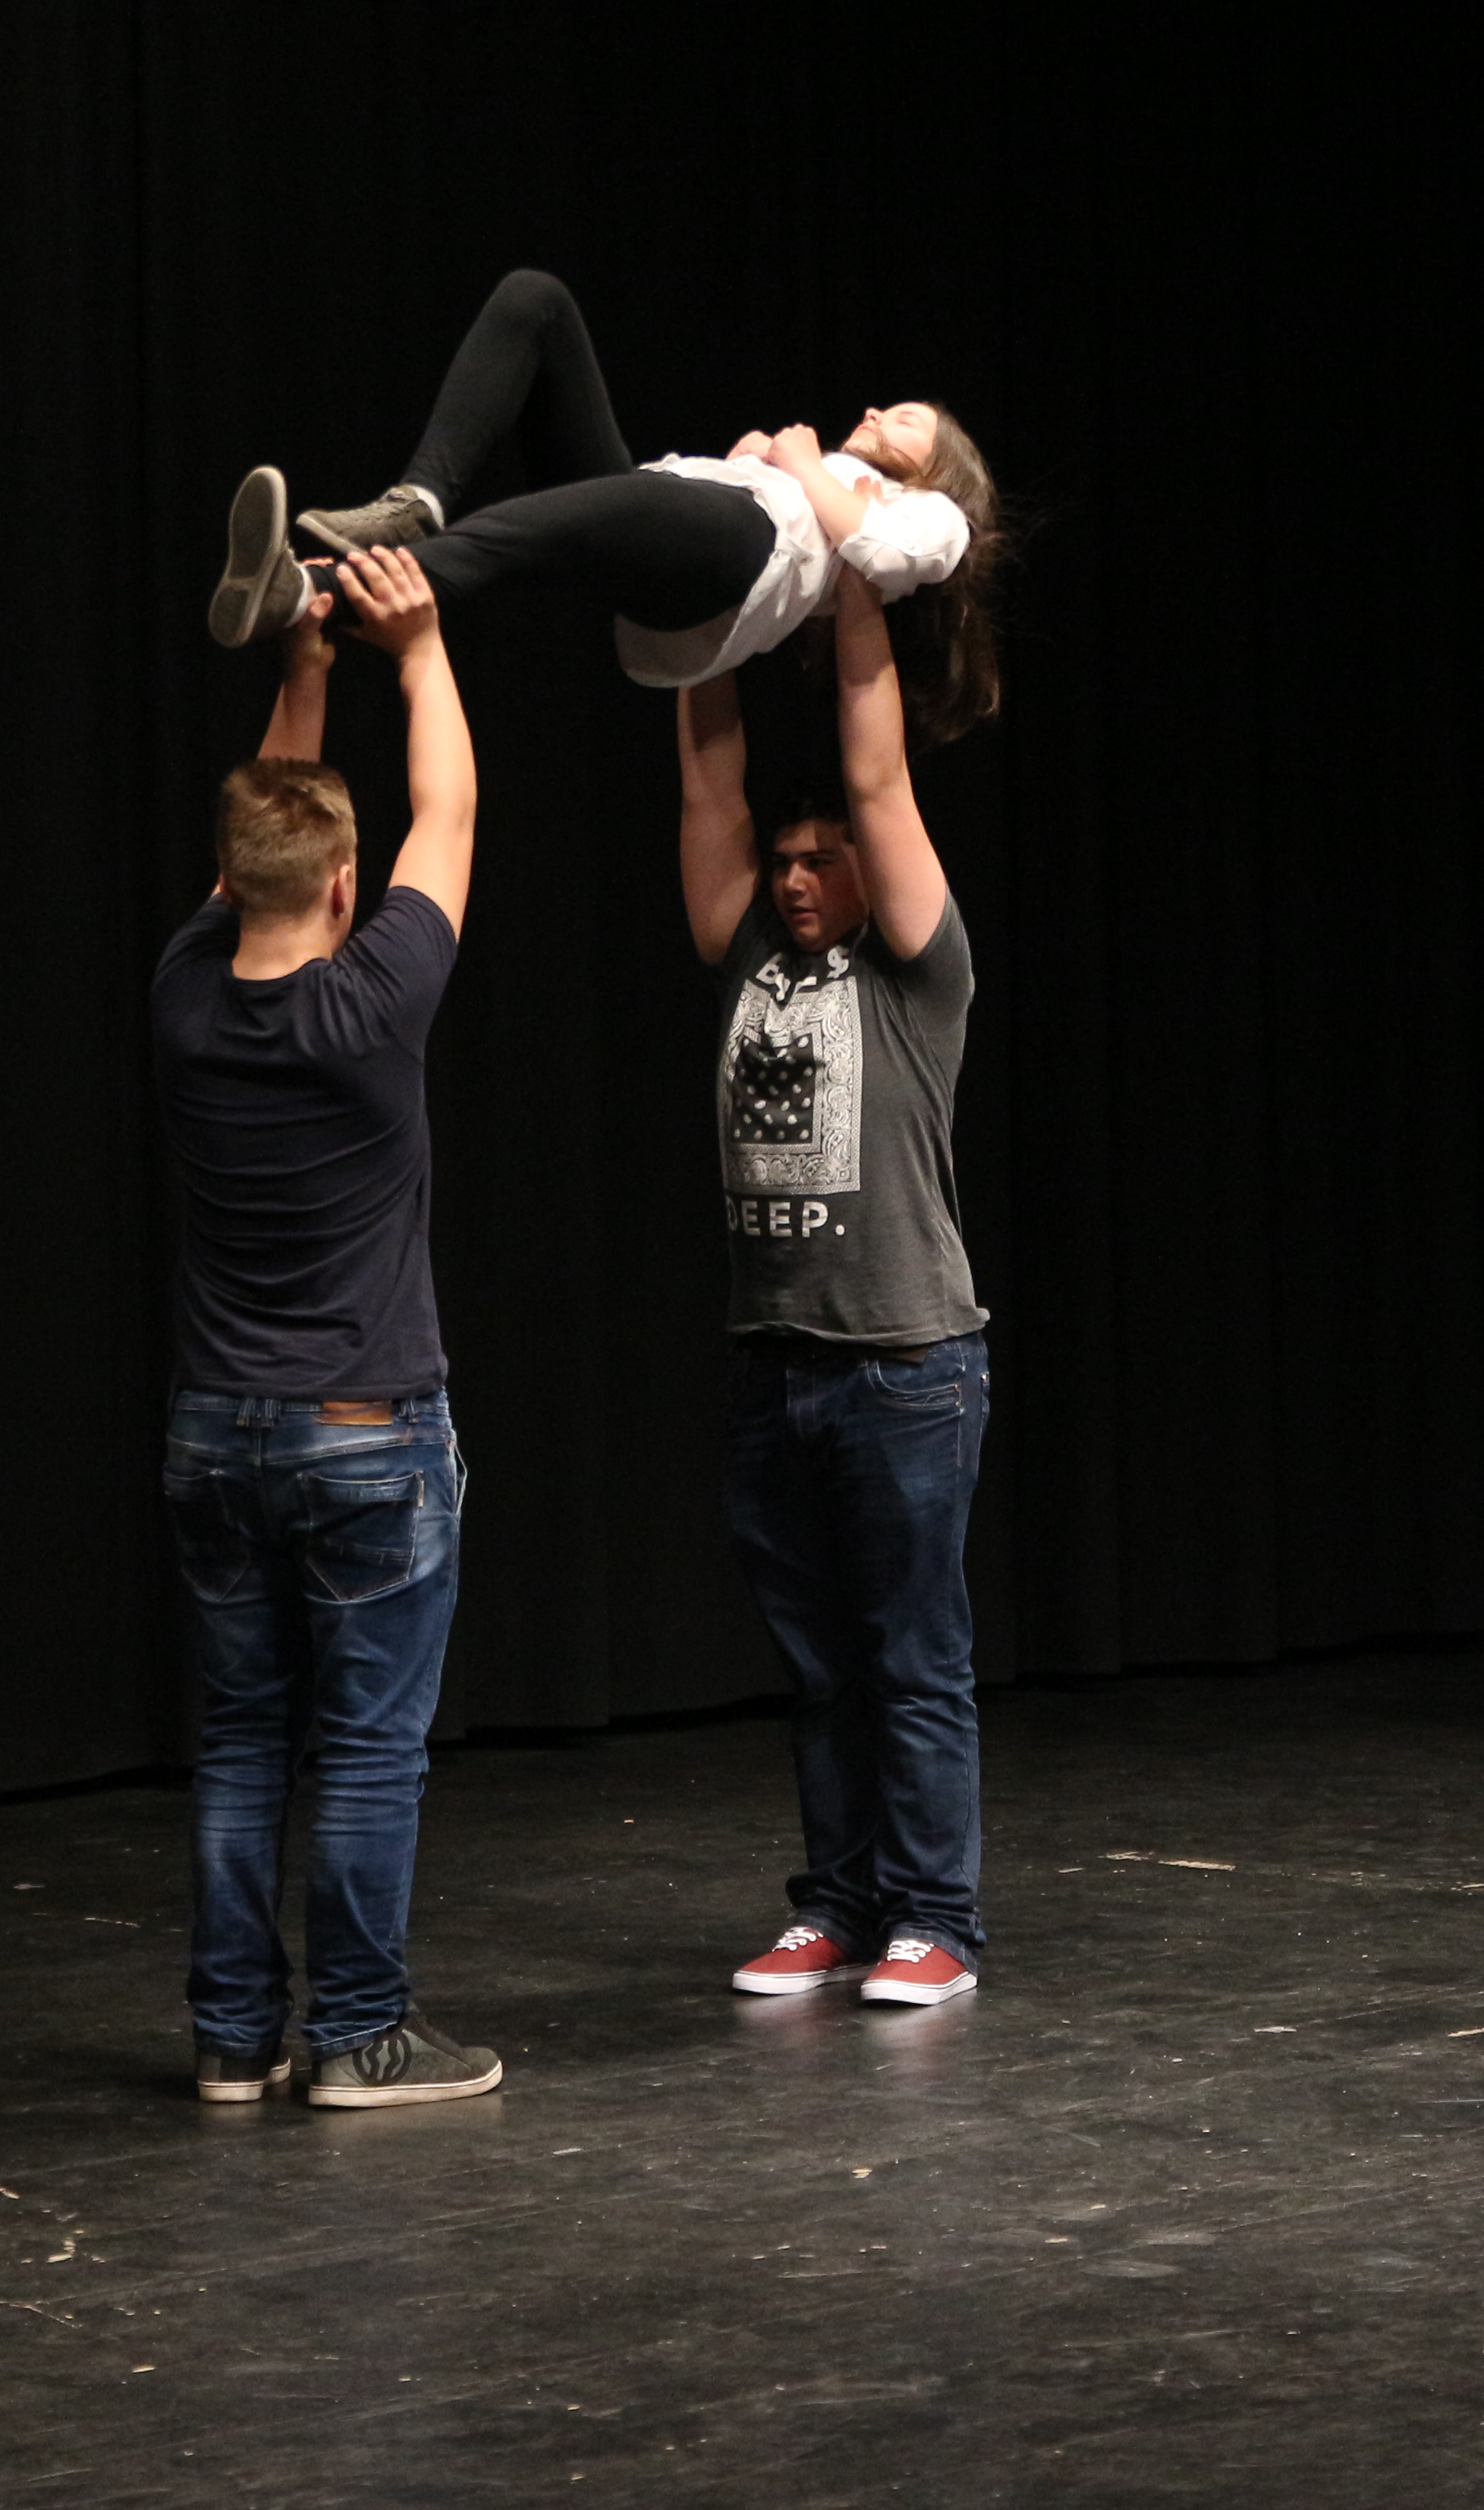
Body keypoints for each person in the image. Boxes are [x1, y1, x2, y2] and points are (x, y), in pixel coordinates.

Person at [148, 546, 504, 2111]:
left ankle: (234, 2039)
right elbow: (450, 815)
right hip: (364, 1436)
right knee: (363, 1750)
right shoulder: (375, 1006)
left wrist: (304, 665)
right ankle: (357, 2035)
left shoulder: (181, 994)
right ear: (346, 890)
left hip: (212, 1437)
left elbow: (272, 834)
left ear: (225, 885)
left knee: (242, 1740)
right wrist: (415, 650)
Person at [682, 568, 993, 2008]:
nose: (797, 878)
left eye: (823, 859)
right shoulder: (745, 949)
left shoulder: (919, 972)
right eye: (786, 861)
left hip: (904, 1364)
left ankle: (936, 1922)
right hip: (775, 1362)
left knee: (910, 1661)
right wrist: (697, 615)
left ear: (868, 870)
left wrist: (857, 590)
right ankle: (840, 1903)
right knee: (817, 1668)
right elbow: (709, 779)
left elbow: (878, 769)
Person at [207, 268, 1008, 751]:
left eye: (905, 420)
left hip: (737, 552)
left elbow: (881, 554)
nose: (876, 413)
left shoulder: (937, 516)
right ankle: (415, 503)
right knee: (537, 303)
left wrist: (796, 466)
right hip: (691, 522)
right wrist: (751, 463)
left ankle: (309, 589)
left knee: (510, 539)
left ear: (943, 468)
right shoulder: (838, 480)